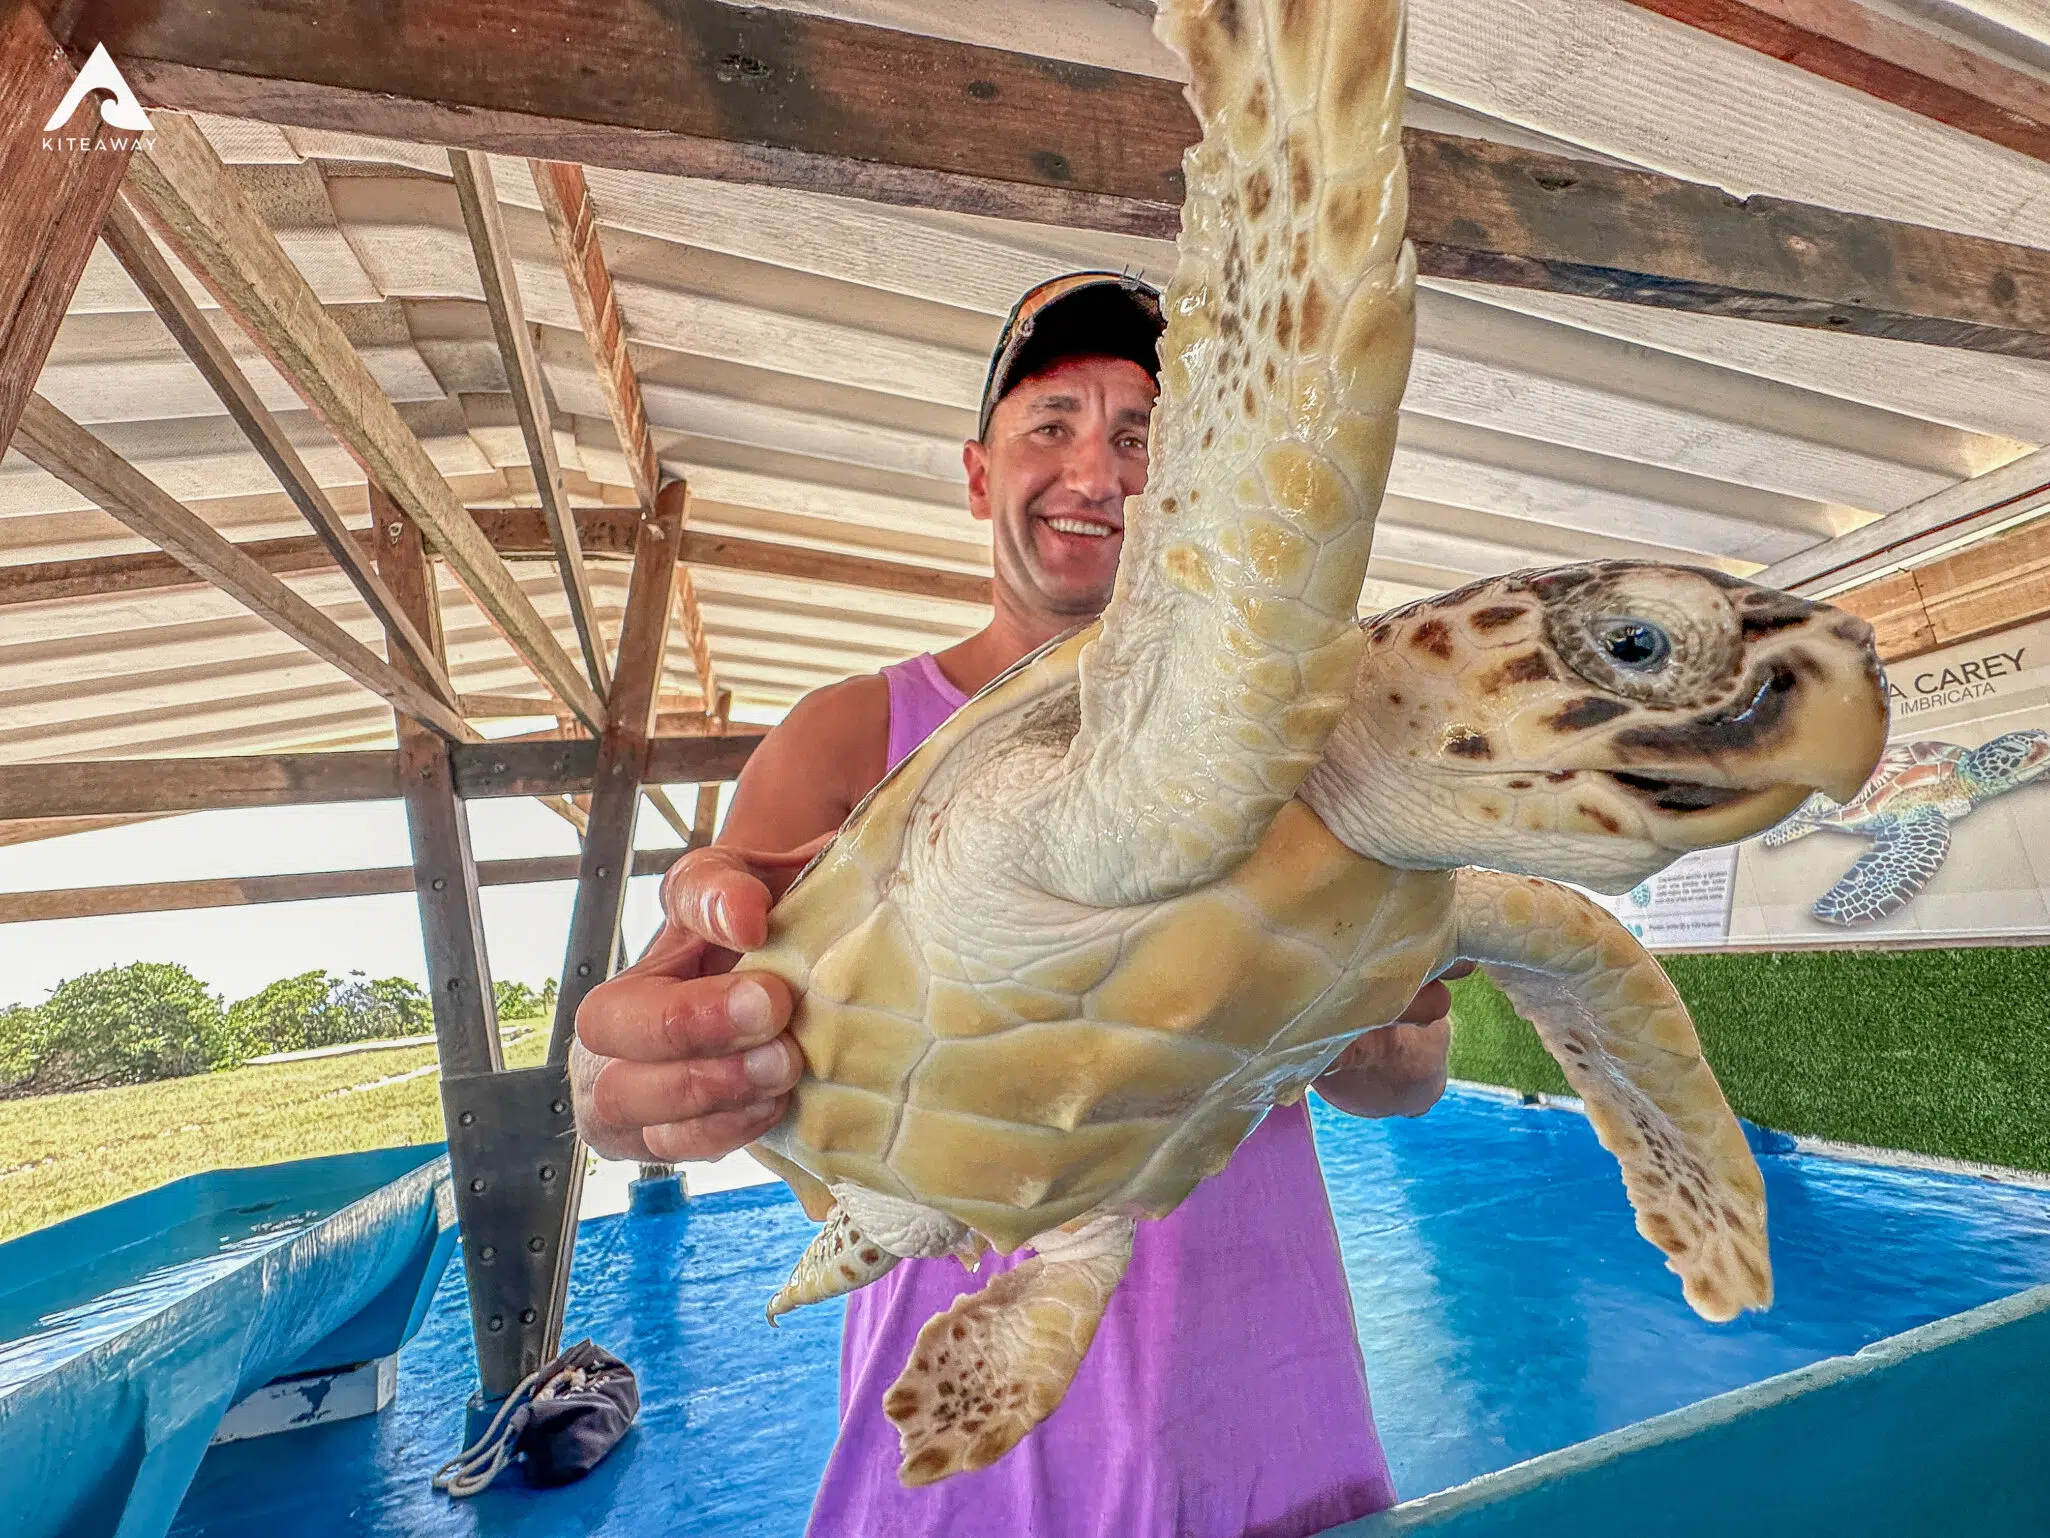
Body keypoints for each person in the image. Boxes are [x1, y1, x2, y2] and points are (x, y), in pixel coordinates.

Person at [571, 273, 1463, 1536]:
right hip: (969, 1469)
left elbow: (1412, 1075)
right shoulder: (853, 735)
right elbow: (654, 1044)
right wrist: (626, 1094)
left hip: (1273, 1431)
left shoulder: (1303, 733)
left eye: (1143, 434)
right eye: (1050, 424)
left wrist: (1347, 1009)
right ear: (978, 472)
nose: (1097, 470)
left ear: (1194, 481)